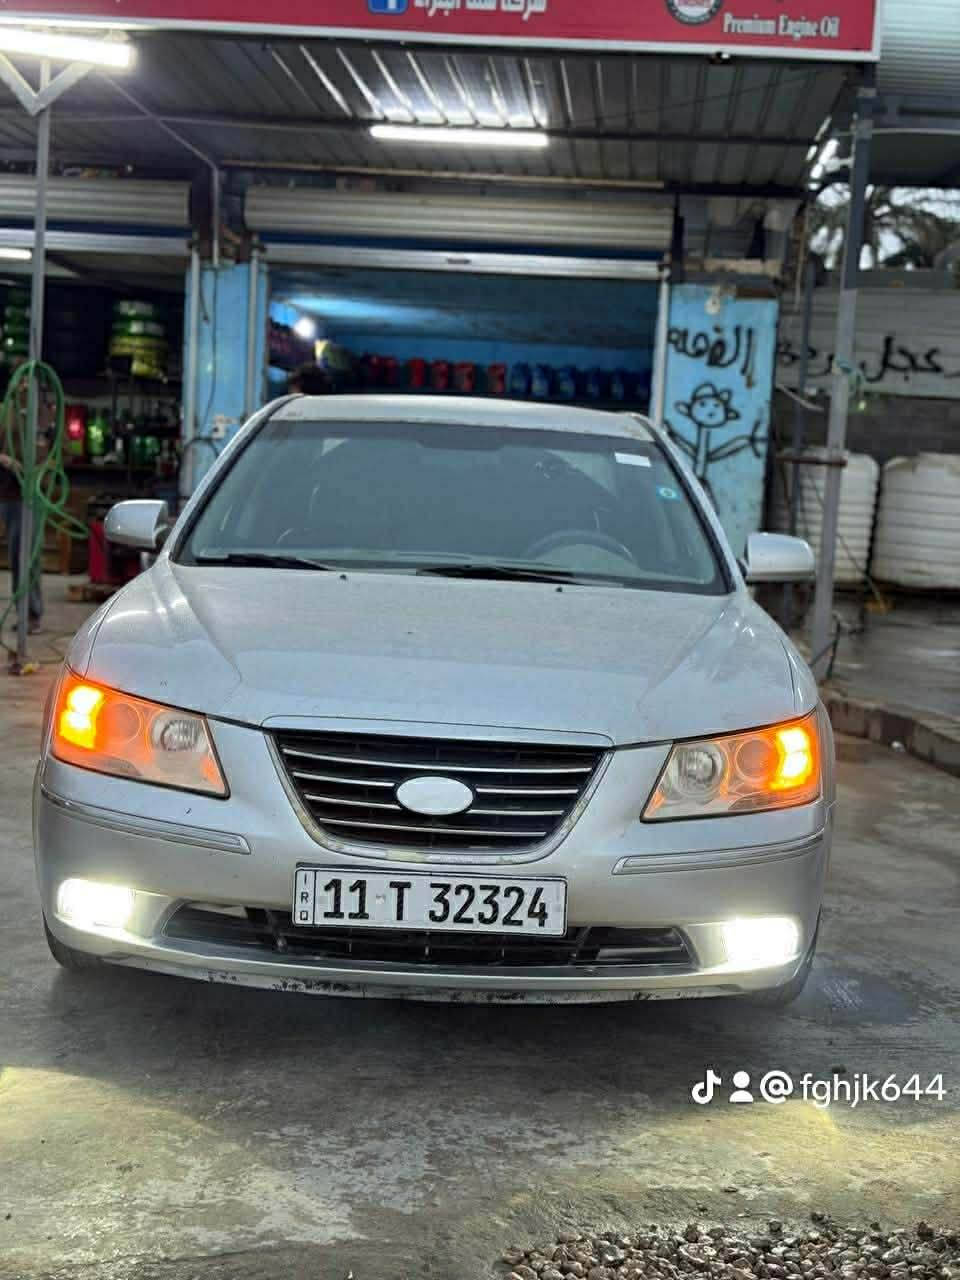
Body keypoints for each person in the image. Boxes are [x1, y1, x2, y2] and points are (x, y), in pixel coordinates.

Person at [1, 375, 45, 633]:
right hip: (10, 494)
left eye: (30, 384)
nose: (25, 389)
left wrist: (42, 466)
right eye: (22, 383)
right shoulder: (5, 414)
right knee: (18, 556)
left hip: (34, 494)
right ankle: (23, 614)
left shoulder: (45, 416)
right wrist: (6, 460)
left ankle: (33, 614)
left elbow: (59, 451)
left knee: (30, 557)